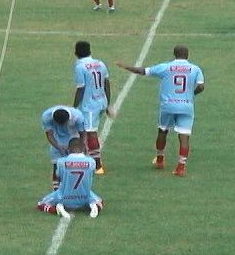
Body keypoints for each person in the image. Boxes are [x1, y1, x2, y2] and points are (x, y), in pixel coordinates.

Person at [116, 45, 205, 177]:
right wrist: (191, 94)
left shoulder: (166, 67)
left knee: (162, 130)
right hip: (186, 106)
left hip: (168, 106)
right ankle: (181, 167)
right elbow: (201, 87)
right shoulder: (195, 68)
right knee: (184, 136)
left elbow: (143, 71)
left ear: (174, 54)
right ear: (187, 55)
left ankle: (160, 160)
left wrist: (126, 66)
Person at [72, 40, 115, 175]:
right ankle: (84, 158)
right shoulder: (100, 63)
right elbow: (106, 83)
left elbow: (81, 88)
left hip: (89, 105)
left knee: (90, 132)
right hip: (100, 101)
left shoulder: (80, 67)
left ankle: (97, 166)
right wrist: (107, 103)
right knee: (85, 130)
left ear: (76, 53)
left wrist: (74, 107)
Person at [36, 138, 104, 219]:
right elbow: (92, 175)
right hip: (86, 197)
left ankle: (56, 209)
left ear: (69, 149)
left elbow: (58, 177)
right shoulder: (91, 162)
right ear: (83, 148)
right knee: (100, 202)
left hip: (64, 197)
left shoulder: (61, 162)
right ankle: (94, 206)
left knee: (41, 204)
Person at [42, 105, 86, 190]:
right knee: (56, 164)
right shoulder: (46, 116)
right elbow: (49, 135)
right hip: (57, 138)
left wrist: (82, 147)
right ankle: (56, 190)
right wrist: (58, 146)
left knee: (75, 164)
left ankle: (76, 188)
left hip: (74, 138)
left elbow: (83, 134)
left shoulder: (78, 117)